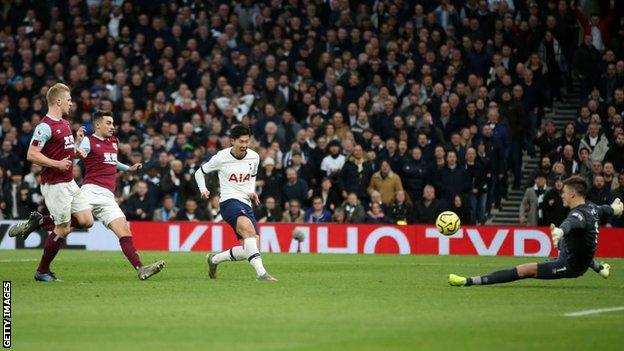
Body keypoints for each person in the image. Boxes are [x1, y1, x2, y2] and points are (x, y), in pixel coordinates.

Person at [449, 176, 623, 287]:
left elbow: (570, 223)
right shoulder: (593, 207)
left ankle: (469, 281)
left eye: (564, 192)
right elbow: (608, 209)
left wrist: (560, 232)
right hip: (579, 256)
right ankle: (600, 268)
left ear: (572, 194)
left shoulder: (577, 214)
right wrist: (616, 208)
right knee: (571, 240)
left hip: (571, 266)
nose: (561, 195)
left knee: (524, 270)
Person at [8, 83, 94, 282]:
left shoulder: (64, 124)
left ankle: (38, 222)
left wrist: (78, 145)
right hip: (55, 185)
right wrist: (56, 164)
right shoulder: (44, 127)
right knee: (63, 228)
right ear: (58, 101)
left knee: (86, 220)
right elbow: (31, 154)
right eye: (69, 100)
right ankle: (42, 271)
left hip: (69, 181)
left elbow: (68, 154)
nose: (71, 103)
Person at [194, 124, 276, 281]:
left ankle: (214, 259)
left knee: (250, 248)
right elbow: (199, 173)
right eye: (241, 142)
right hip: (228, 201)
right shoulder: (221, 157)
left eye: (247, 141)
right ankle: (262, 274)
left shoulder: (254, 157)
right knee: (249, 233)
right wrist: (203, 190)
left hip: (245, 202)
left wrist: (250, 192)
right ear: (232, 141)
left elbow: (251, 178)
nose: (245, 145)